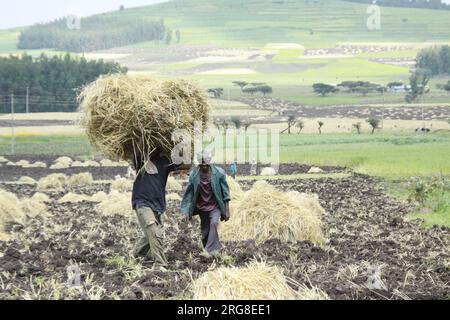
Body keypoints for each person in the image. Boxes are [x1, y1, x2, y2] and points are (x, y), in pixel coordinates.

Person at [132, 146, 189, 266]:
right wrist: (142, 136)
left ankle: (138, 254)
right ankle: (160, 264)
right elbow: (137, 147)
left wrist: (182, 145)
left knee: (151, 235)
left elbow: (184, 164)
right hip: (142, 203)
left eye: (154, 147)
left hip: (157, 205)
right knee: (153, 231)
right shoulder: (141, 161)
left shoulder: (164, 162)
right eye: (150, 148)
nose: (152, 150)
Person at [181, 150, 231, 257]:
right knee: (205, 231)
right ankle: (214, 251)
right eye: (201, 163)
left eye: (206, 163)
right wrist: (185, 211)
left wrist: (227, 210)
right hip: (202, 207)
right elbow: (189, 194)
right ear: (199, 162)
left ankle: (208, 251)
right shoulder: (194, 175)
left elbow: (225, 193)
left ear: (209, 161)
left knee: (214, 223)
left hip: (215, 206)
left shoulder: (219, 173)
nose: (204, 166)